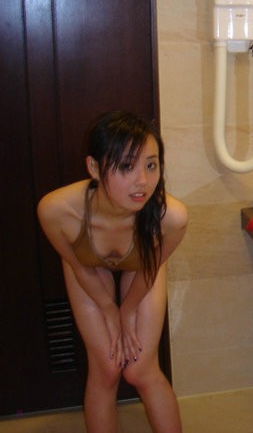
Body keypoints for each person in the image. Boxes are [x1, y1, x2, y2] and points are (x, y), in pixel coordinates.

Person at [37, 111, 188, 433]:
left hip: (143, 267)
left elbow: (150, 269)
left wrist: (127, 310)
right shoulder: (57, 210)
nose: (142, 181)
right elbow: (78, 265)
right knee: (106, 368)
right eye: (126, 166)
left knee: (140, 369)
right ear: (94, 167)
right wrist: (109, 310)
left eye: (151, 165)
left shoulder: (171, 219)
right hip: (87, 267)